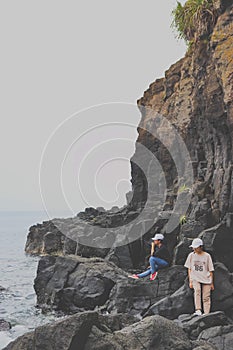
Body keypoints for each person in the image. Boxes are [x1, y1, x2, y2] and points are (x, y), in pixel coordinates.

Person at [184, 237, 215, 316]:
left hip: (206, 278)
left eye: (196, 247)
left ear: (201, 247)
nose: (194, 249)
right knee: (197, 291)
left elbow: (211, 270)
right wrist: (190, 280)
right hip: (195, 277)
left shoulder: (207, 256)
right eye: (193, 248)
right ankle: (198, 309)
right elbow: (189, 268)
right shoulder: (191, 255)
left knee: (206, 296)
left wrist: (211, 283)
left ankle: (206, 313)